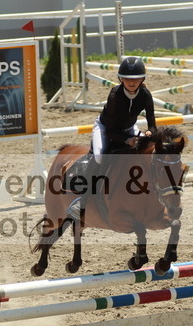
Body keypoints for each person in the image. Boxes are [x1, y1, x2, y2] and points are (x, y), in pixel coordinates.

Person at [67, 56, 158, 221]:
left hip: (129, 128)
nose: (131, 82)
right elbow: (110, 132)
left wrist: (149, 133)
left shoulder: (145, 94)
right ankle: (82, 201)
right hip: (105, 128)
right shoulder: (115, 94)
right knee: (100, 156)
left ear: (142, 79)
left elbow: (152, 124)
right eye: (127, 78)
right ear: (121, 79)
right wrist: (127, 141)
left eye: (136, 78)